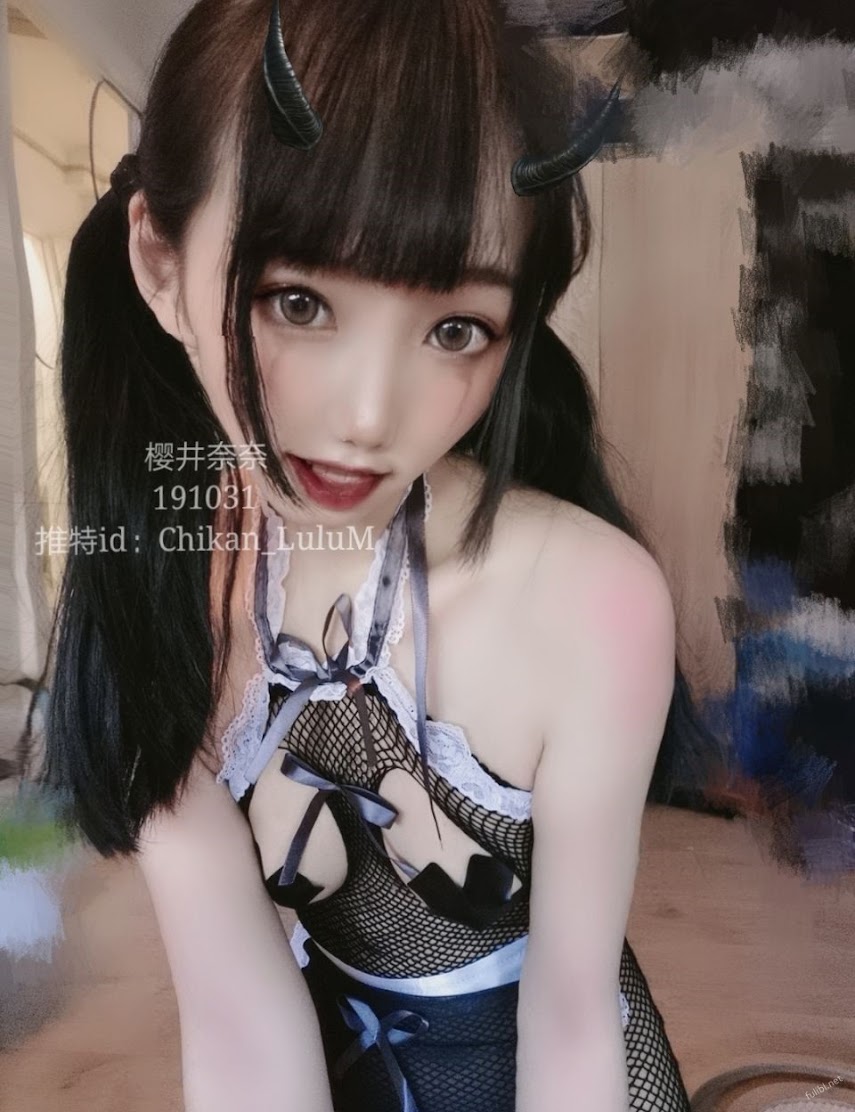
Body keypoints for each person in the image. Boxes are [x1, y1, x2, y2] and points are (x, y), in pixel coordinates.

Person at [35, 0, 706, 1107]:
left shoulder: (591, 603)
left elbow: (572, 1019)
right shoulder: (164, 582)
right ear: (158, 263)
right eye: (297, 301)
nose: (367, 416)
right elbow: (239, 1022)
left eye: (456, 329)